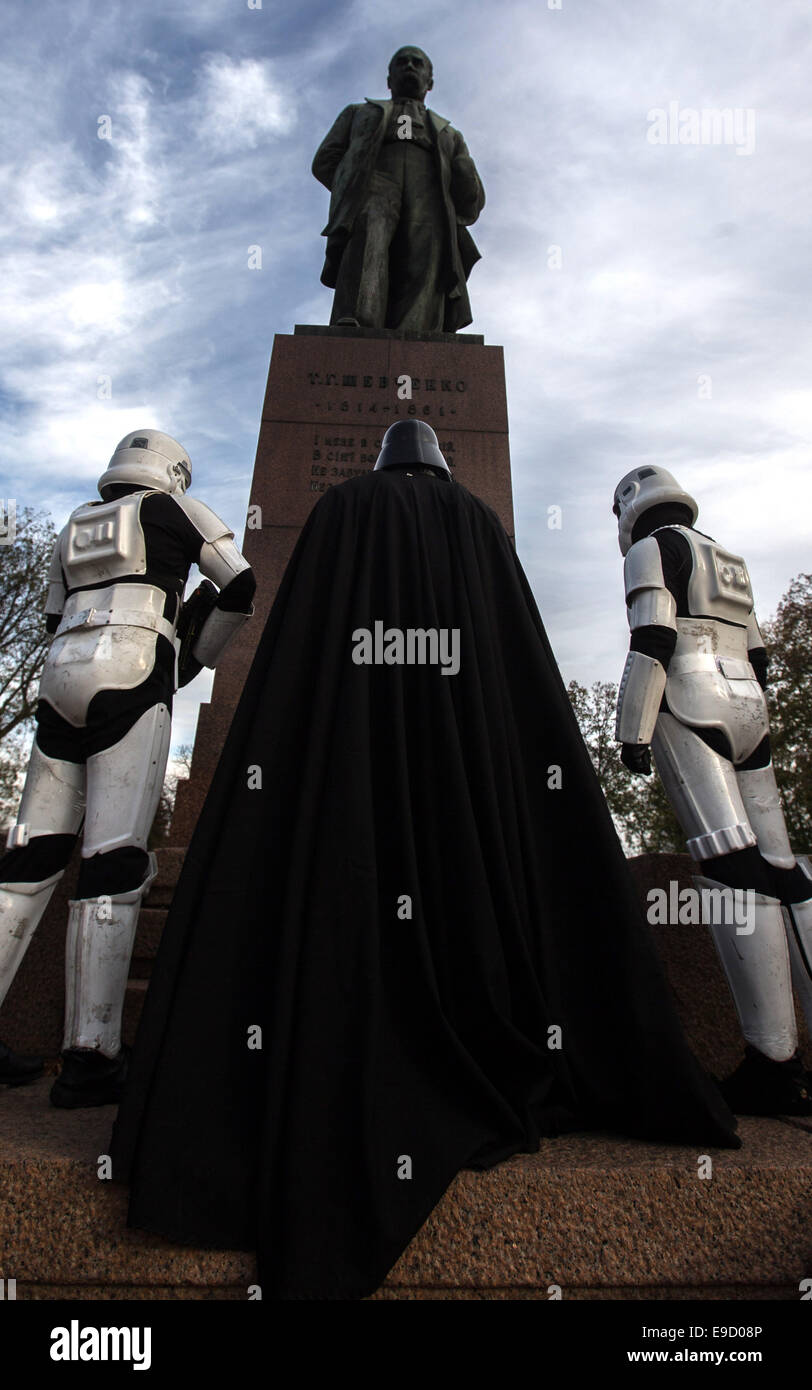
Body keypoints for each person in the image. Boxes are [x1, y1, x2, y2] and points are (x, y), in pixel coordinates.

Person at [111, 422, 736, 1300]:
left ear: (381, 462)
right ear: (443, 463)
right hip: (469, 789)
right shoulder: (479, 524)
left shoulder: (340, 508)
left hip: (346, 777)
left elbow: (298, 649)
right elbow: (513, 671)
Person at [0, 429, 255, 1106]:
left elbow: (52, 614)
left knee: (28, 859)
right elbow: (240, 582)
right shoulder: (172, 508)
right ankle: (91, 1056)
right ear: (172, 471)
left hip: (60, 677)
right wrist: (196, 656)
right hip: (135, 666)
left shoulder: (76, 524)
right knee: (113, 861)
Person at [612, 464, 812, 1115]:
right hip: (749, 706)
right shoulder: (731, 560)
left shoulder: (651, 550)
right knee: (787, 872)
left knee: (730, 868)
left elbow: (653, 636)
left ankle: (773, 1061)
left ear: (630, 509)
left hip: (688, 696)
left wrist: (633, 728)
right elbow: (761, 655)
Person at [312, 46, 485, 331]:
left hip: (429, 190)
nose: (409, 66)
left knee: (426, 251)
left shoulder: (449, 134)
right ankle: (356, 320)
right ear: (389, 79)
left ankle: (417, 331)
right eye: (401, 62)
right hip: (376, 182)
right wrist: (354, 186)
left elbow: (471, 202)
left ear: (430, 82)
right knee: (368, 234)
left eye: (417, 63)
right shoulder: (358, 113)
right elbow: (325, 160)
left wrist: (466, 176)